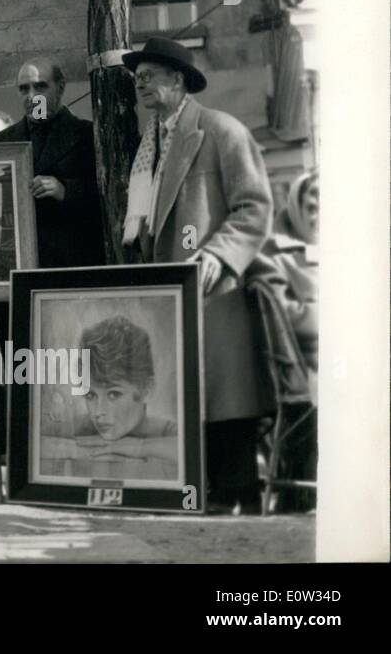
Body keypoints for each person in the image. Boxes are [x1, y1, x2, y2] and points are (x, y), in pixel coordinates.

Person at [121, 37, 273, 514]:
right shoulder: (149, 144)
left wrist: (219, 254)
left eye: (150, 74)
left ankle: (242, 501)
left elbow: (254, 207)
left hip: (215, 297)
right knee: (184, 404)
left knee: (226, 403)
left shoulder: (220, 131)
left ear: (179, 79)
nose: (140, 82)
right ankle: (203, 502)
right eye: (137, 76)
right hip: (167, 301)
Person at [0, 59, 104, 268]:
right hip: (19, 265)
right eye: (24, 89)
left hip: (73, 263)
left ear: (60, 88)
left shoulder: (89, 136)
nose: (32, 97)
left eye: (40, 86)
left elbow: (111, 196)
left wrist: (66, 191)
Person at [39, 316, 179, 481]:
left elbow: (191, 451)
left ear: (146, 390)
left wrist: (140, 447)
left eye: (113, 394)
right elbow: (24, 445)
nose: (99, 412)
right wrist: (79, 449)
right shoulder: (74, 428)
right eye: (90, 395)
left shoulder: (167, 431)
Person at [262, 169, 318, 512]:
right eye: (311, 206)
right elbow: (288, 317)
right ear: (296, 207)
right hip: (301, 370)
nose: (319, 216)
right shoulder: (277, 253)